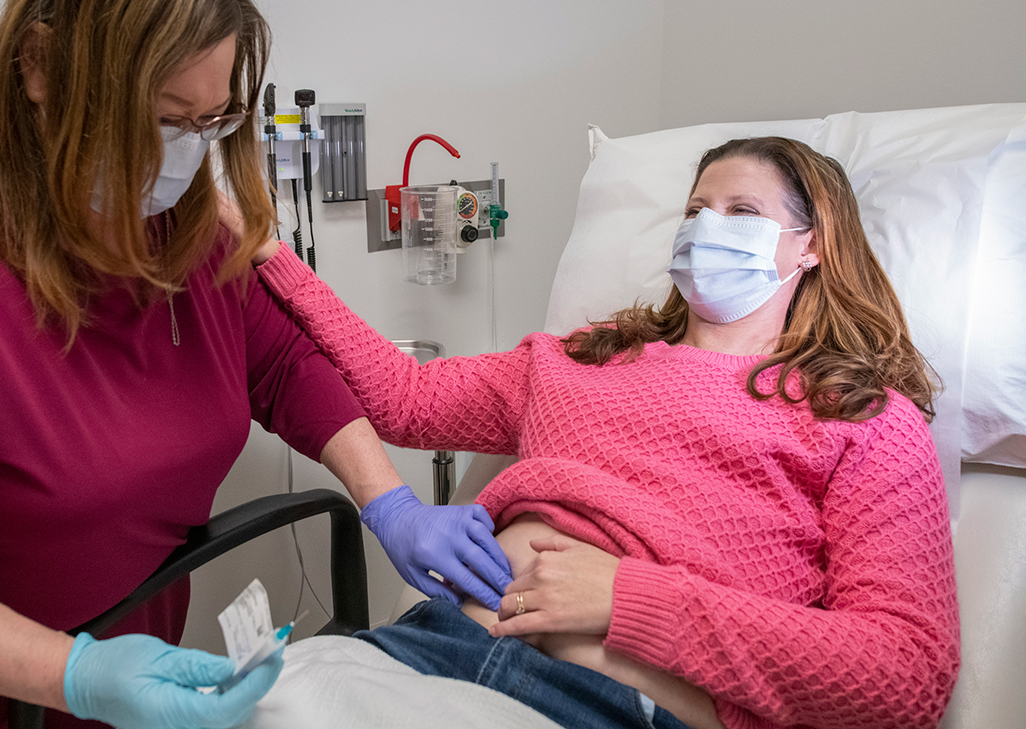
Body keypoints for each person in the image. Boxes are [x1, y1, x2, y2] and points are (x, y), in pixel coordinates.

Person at [0, 1, 511, 727]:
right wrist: (72, 669)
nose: (180, 158)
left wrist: (390, 503)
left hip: (86, 679)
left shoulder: (179, 220)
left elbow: (276, 359)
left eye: (209, 121)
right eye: (164, 119)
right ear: (37, 67)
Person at [247, 137, 959, 729]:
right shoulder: (585, 356)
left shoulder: (861, 418)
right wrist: (268, 252)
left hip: (607, 706)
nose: (706, 227)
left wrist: (630, 598)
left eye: (741, 211)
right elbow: (403, 399)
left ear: (813, 245)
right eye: (694, 210)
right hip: (423, 651)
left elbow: (907, 673)